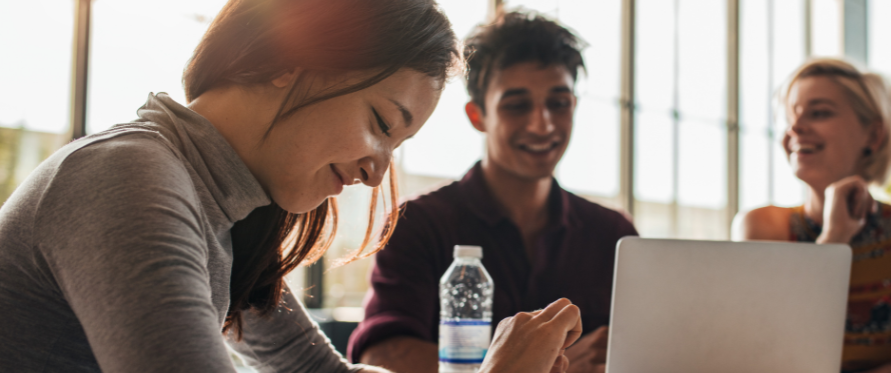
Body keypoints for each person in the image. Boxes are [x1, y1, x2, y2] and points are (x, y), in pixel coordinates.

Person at [0, 0, 583, 372]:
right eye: (381, 124)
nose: (376, 173)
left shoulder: (223, 210)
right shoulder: (128, 179)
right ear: (289, 60)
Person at [348, 11, 638, 373]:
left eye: (559, 103)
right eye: (517, 105)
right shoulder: (418, 224)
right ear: (477, 116)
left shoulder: (613, 234)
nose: (542, 123)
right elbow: (381, 357)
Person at [732, 59, 891, 373]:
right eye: (790, 116)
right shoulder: (760, 229)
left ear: (874, 134)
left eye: (819, 112)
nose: (794, 128)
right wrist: (833, 239)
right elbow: (772, 347)